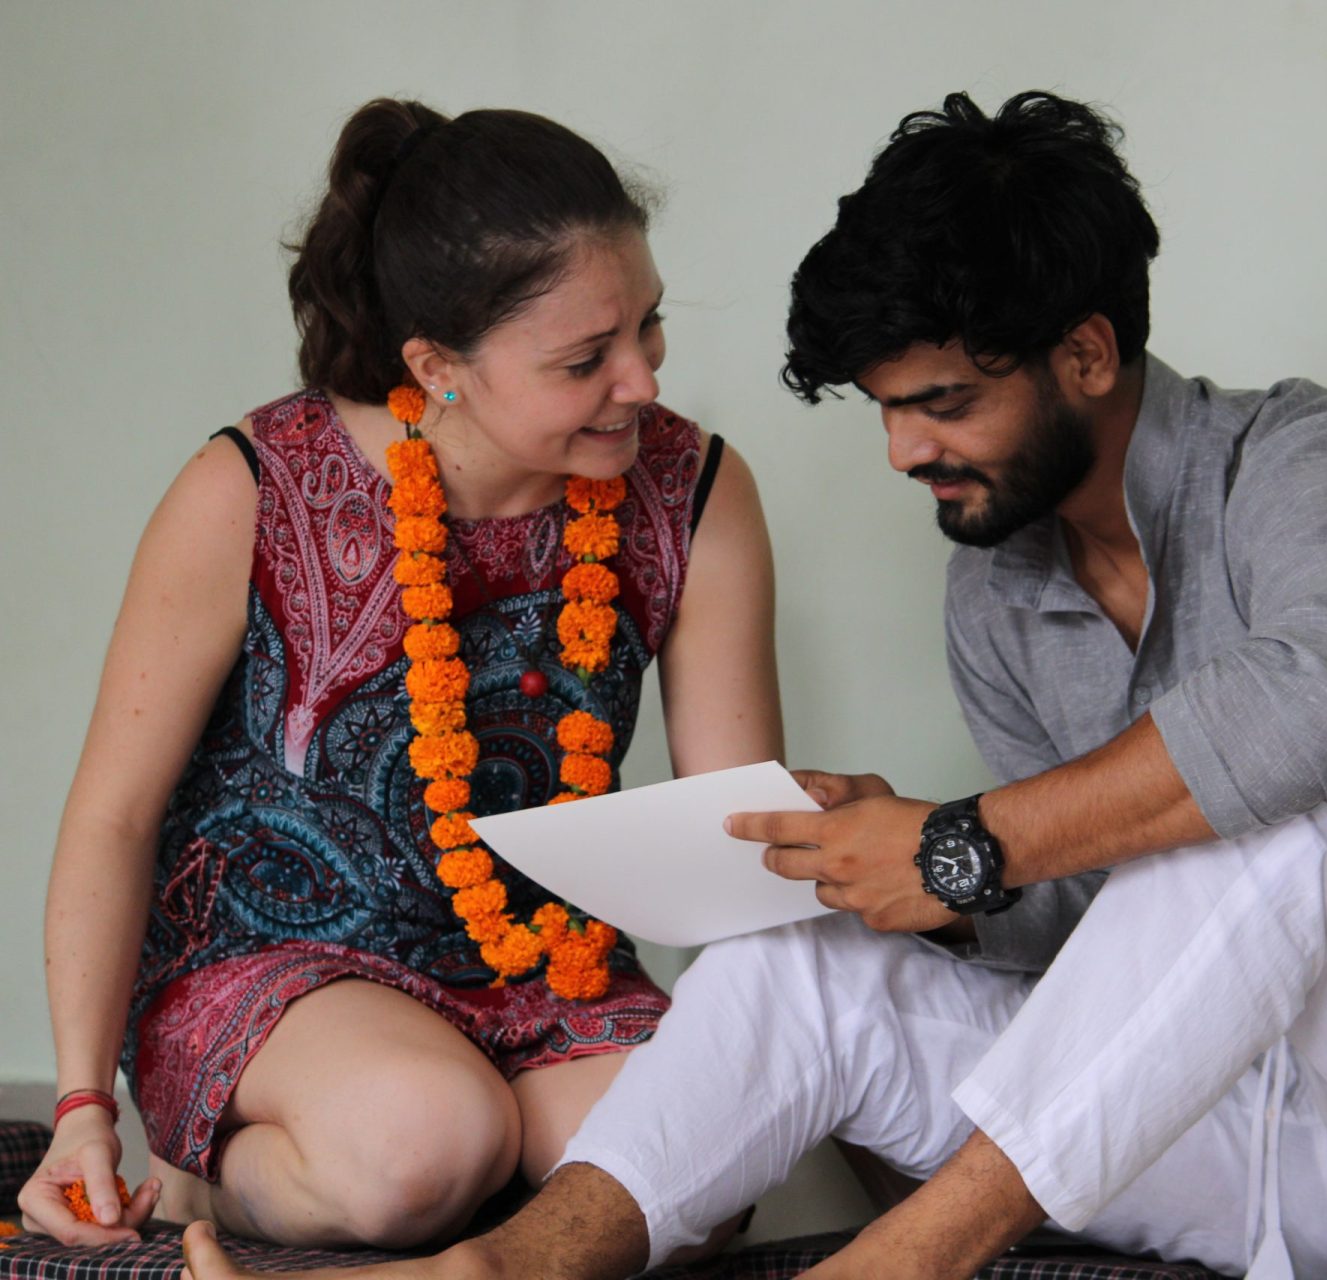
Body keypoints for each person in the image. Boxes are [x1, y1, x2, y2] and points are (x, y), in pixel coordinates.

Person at [181, 90, 1327, 1280]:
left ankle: (903, 1265)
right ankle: (498, 1273)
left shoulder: (1322, 464)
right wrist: (920, 877)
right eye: (885, 409)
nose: (902, 451)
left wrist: (962, 841)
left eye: (939, 403)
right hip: (1264, 1163)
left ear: (1086, 354)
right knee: (796, 966)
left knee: (1294, 807)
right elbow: (1110, 939)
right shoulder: (1001, 582)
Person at [24, 98, 781, 1254]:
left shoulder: (695, 488)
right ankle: (207, 1182)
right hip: (275, 964)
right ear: (438, 366)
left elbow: (731, 840)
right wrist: (84, 1108)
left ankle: (476, 1179)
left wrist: (756, 1072)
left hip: (549, 964)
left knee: (691, 1178)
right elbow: (114, 815)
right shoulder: (250, 485)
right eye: (586, 359)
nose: (640, 380)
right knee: (421, 1143)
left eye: (651, 326)